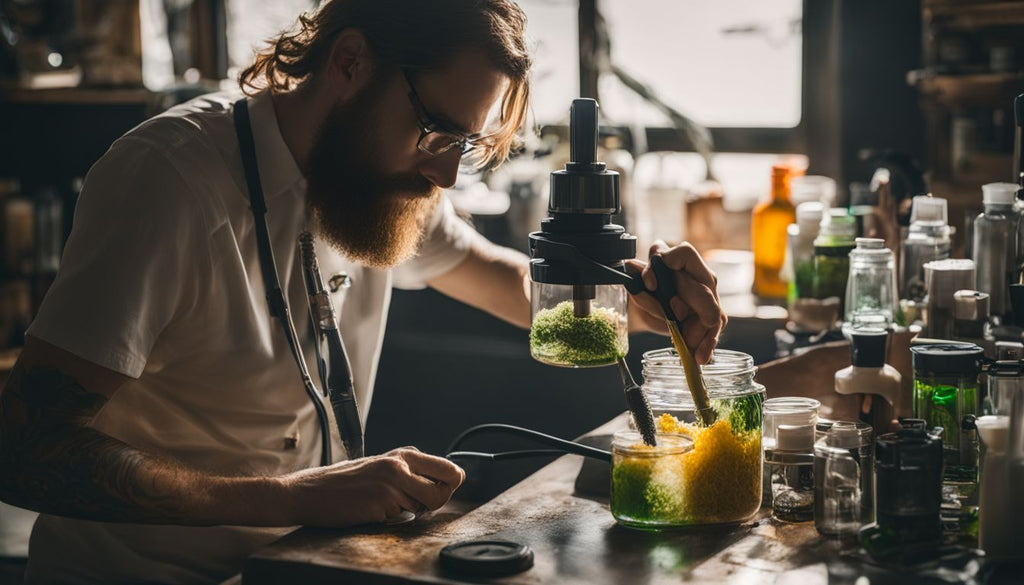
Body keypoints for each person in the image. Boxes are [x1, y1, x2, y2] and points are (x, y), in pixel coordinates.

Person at [0, 1, 726, 583]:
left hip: (301, 566)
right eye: (436, 131)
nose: (443, 175)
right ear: (350, 61)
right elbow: (26, 448)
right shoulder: (168, 180)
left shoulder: (380, 181)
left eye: (462, 146)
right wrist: (293, 495)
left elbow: (494, 274)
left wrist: (621, 296)